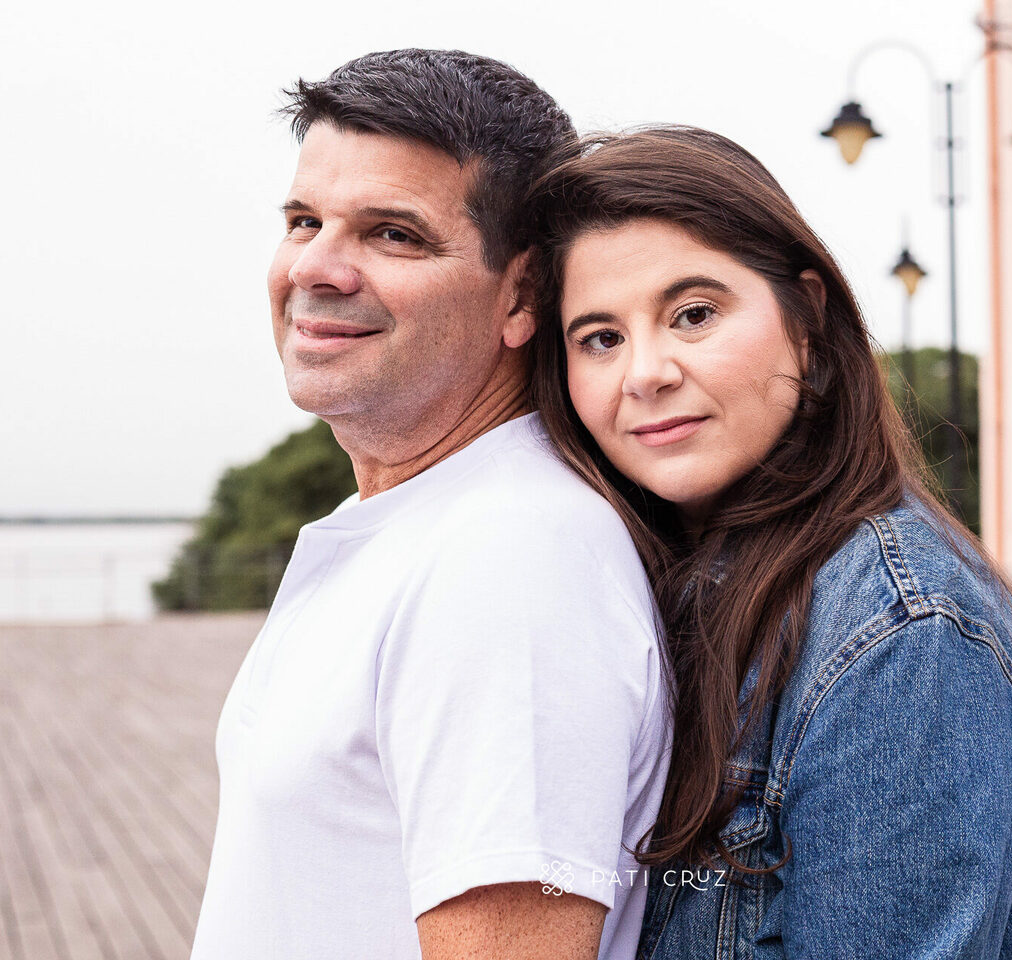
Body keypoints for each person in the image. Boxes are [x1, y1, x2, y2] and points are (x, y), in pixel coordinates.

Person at [528, 126, 1012, 959]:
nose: (645, 371)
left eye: (693, 314)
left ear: (808, 321)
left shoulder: (906, 637)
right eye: (600, 338)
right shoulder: (652, 585)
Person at [189, 51, 672, 960]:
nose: (318, 268)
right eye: (304, 221)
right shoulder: (433, 524)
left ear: (523, 293)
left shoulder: (511, 559)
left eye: (393, 235)